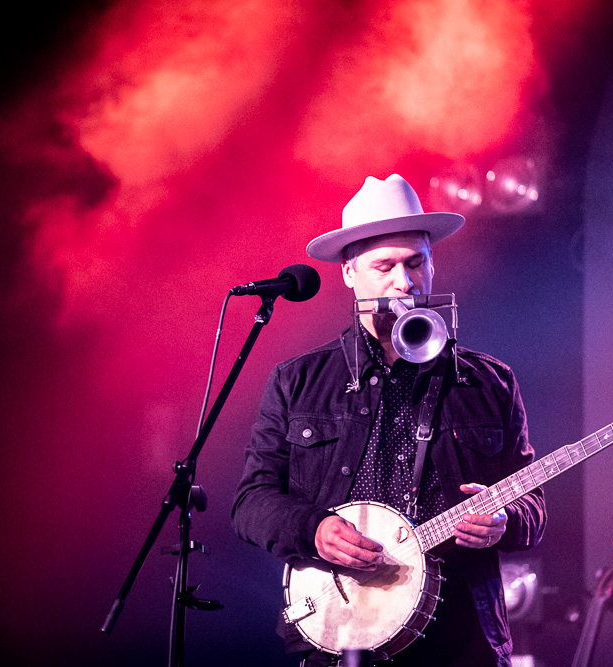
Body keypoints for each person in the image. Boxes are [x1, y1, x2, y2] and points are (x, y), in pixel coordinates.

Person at [231, 174, 546, 666]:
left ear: (432, 265)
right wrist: (312, 529)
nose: (404, 283)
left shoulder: (491, 382)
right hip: (339, 638)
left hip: (461, 641)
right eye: (385, 267)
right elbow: (252, 501)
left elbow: (533, 506)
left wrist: (505, 520)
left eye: (416, 263)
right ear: (349, 274)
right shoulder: (296, 380)